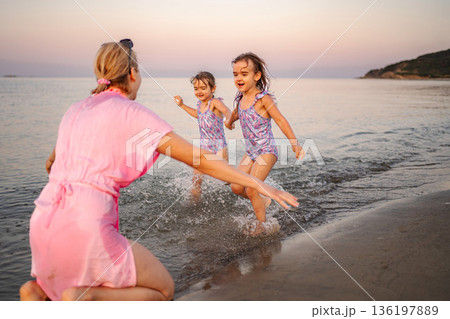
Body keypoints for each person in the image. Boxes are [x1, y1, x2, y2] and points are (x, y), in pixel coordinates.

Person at [19, 40, 299, 301]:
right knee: (162, 289)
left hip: (43, 222)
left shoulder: (74, 110)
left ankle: (39, 295)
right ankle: (87, 298)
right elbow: (200, 159)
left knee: (41, 291)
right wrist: (260, 184)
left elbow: (50, 163)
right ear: (132, 74)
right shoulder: (132, 113)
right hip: (87, 224)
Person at [225, 52, 305, 230]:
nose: (238, 78)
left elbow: (281, 120)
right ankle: (264, 198)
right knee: (236, 187)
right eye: (235, 74)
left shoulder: (263, 99)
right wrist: (229, 122)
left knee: (252, 188)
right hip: (251, 151)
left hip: (266, 150)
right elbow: (237, 113)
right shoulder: (239, 98)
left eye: (244, 74)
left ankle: (262, 225)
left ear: (257, 76)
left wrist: (294, 143)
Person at [174, 72, 231, 201]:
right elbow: (197, 114)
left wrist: (228, 119)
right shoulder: (200, 105)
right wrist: (182, 105)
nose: (199, 91)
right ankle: (194, 204)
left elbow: (227, 110)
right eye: (196, 88)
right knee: (196, 180)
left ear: (213, 89)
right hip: (204, 148)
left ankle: (243, 187)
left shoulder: (214, 102)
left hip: (219, 148)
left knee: (227, 179)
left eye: (203, 88)